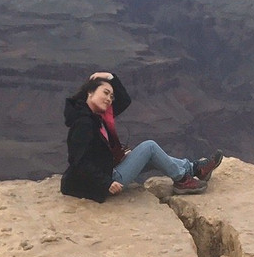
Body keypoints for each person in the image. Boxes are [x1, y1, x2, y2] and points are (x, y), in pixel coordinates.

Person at [60, 71, 222, 202]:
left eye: (111, 96)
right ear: (89, 92)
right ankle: (182, 180)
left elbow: (124, 100)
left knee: (152, 156)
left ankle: (194, 169)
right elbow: (78, 161)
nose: (109, 99)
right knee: (149, 147)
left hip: (106, 170)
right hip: (98, 184)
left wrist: (109, 77)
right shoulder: (84, 123)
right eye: (105, 93)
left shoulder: (97, 116)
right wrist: (106, 183)